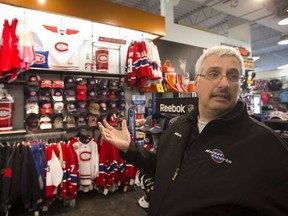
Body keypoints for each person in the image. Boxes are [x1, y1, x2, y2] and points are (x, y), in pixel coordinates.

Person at [98, 45, 288, 216]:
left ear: (239, 84)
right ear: (196, 83)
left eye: (232, 75)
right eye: (214, 74)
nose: (224, 84)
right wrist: (130, 148)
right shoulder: (179, 126)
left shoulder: (265, 145)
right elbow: (164, 170)